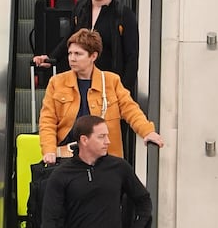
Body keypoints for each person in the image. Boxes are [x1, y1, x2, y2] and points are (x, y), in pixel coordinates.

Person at [38, 29, 161, 164]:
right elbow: (47, 120)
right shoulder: (57, 82)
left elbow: (131, 110)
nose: (72, 58)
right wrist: (49, 150)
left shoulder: (111, 81)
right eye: (70, 53)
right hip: (68, 158)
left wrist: (147, 132)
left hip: (105, 159)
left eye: (78, 54)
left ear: (93, 56)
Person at [33, 0, 139, 95]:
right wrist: (51, 58)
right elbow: (71, 38)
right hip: (81, 84)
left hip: (108, 87)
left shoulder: (124, 15)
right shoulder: (80, 8)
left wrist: (123, 92)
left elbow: (131, 57)